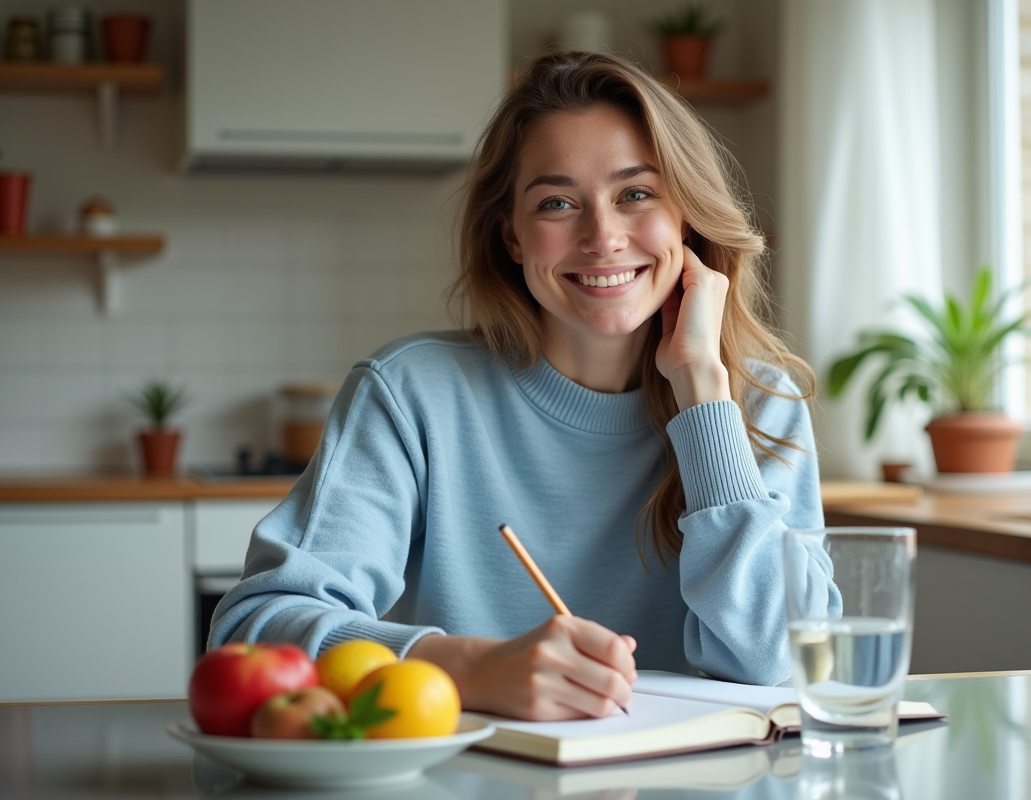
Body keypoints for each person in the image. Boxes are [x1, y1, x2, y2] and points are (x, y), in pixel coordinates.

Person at [209, 50, 840, 722]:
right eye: (558, 202)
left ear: (685, 216)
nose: (602, 236)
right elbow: (254, 626)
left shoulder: (756, 399)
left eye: (636, 193)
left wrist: (704, 398)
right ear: (511, 236)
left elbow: (788, 660)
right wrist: (468, 668)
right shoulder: (413, 393)